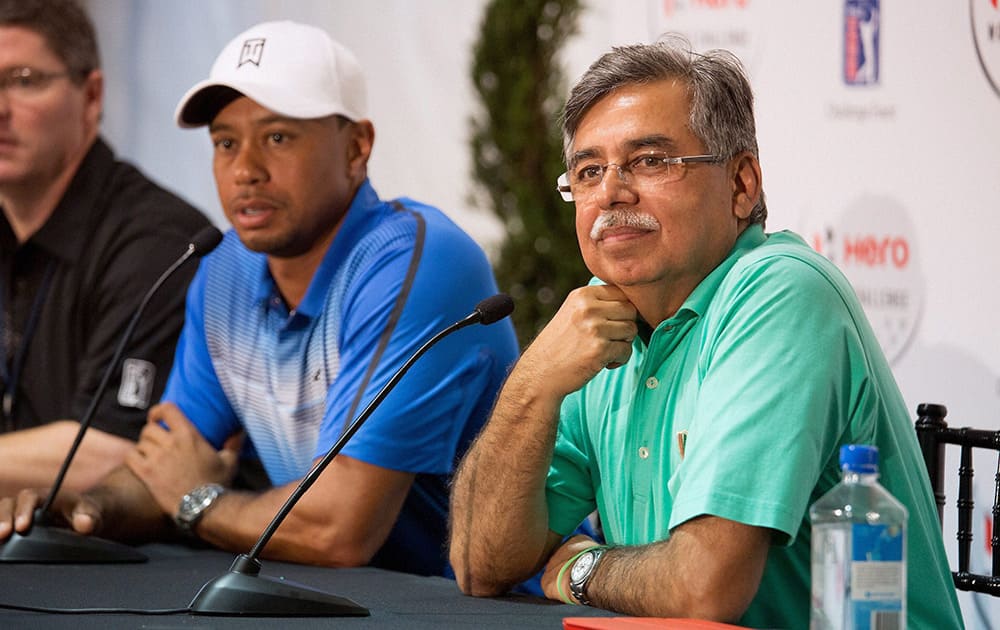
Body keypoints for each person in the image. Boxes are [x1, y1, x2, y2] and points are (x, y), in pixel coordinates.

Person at [448, 38, 964, 628]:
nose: (612, 193)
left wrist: (582, 570)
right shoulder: (599, 323)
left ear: (741, 185)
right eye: (589, 172)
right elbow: (479, 563)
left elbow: (703, 588)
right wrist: (532, 383)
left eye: (649, 161)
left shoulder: (780, 294)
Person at [0, 19, 518, 576]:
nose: (246, 170)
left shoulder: (414, 259)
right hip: (345, 598)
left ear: (356, 148)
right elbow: (165, 465)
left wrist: (198, 503)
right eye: (226, 142)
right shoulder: (223, 267)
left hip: (480, 599)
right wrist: (81, 511)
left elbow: (340, 530)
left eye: (277, 137)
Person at [0, 0, 209, 494]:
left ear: (92, 96)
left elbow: (112, 452)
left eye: (24, 79)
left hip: (139, 557)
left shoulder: (158, 241)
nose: (0, 109)